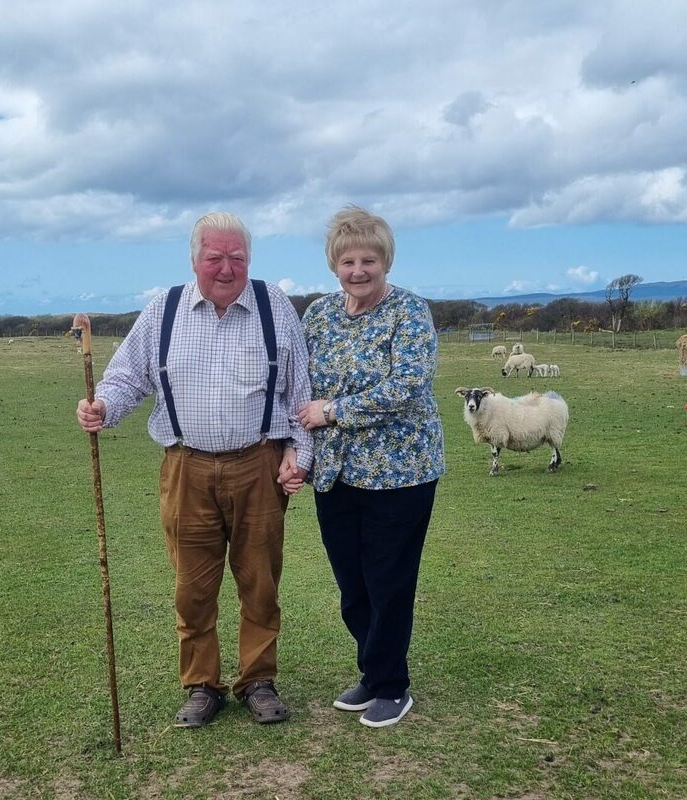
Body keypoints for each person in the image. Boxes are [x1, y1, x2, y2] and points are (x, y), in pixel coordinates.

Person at [76, 212, 312, 728]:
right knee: (193, 586)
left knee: (261, 581)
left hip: (260, 466)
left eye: (237, 258)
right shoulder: (163, 311)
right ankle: (202, 685)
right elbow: (124, 380)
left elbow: (300, 394)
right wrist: (103, 408)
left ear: (249, 259)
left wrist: (302, 452)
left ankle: (257, 680)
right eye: (215, 258)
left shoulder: (276, 309)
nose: (226, 268)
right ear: (194, 260)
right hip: (186, 468)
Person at [297, 206, 444, 728]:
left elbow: (406, 387)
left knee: (388, 579)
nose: (358, 270)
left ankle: (390, 684)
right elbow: (300, 387)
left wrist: (333, 410)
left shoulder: (409, 312)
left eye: (369, 260)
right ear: (334, 264)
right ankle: (372, 667)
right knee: (352, 583)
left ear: (386, 261)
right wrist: (295, 446)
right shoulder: (318, 315)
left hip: (400, 473)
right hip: (335, 472)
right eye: (348, 261)